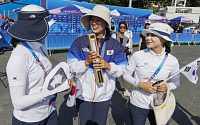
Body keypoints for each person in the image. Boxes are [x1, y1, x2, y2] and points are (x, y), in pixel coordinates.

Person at [6, 5, 72, 125]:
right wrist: (48, 93)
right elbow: (18, 102)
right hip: (29, 119)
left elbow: (44, 76)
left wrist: (60, 83)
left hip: (49, 111)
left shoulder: (41, 47)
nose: (48, 29)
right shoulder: (18, 58)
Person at [67, 5, 127, 125]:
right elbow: (71, 68)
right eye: (92, 19)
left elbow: (122, 69)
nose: (94, 23)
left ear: (106, 23)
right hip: (83, 95)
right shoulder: (79, 42)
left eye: (98, 20)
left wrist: (107, 66)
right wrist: (86, 62)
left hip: (104, 96)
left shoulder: (115, 44)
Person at [123, 23, 180, 125]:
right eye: (148, 35)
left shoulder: (172, 60)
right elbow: (126, 75)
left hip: (159, 104)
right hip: (137, 103)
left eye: (153, 35)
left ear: (164, 39)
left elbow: (176, 82)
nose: (148, 38)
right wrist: (140, 84)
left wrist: (166, 86)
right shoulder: (138, 55)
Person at [111, 21, 131, 96]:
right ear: (118, 27)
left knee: (125, 73)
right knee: (113, 73)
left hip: (123, 57)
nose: (122, 29)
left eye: (124, 27)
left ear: (126, 29)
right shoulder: (114, 36)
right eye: (121, 27)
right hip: (114, 57)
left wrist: (126, 48)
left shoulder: (126, 38)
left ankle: (125, 90)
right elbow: (111, 46)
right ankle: (110, 88)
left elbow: (127, 47)